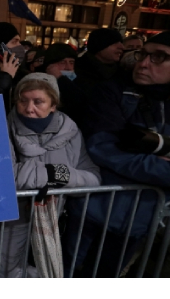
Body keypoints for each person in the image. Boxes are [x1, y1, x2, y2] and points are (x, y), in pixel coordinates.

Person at [62, 31, 170, 277]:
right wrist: (161, 169)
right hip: (94, 209)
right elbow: (102, 149)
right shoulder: (111, 92)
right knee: (68, 274)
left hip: (141, 219)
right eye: (143, 54)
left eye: (159, 57)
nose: (143, 63)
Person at [0, 73, 101, 278]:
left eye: (38, 102)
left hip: (51, 223)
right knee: (2, 273)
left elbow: (93, 178)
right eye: (23, 100)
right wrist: (50, 174)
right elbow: (2, 177)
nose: (28, 108)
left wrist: (60, 174)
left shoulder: (71, 132)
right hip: (9, 222)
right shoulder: (1, 128)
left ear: (53, 104)